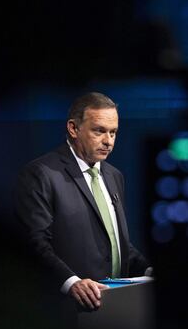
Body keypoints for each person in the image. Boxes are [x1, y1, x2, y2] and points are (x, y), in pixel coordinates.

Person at [15, 92, 151, 309]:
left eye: (113, 133)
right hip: (67, 311)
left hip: (117, 307)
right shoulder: (42, 173)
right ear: (73, 128)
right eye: (99, 131)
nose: (108, 141)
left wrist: (146, 270)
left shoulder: (114, 176)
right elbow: (35, 242)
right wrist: (71, 282)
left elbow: (116, 243)